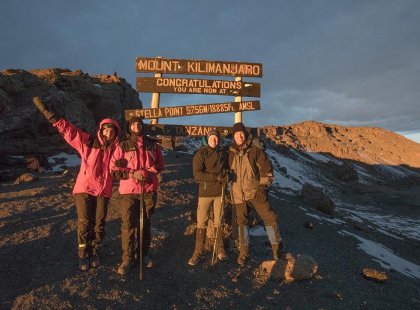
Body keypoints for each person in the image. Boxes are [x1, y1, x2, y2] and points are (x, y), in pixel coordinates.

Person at [32, 97, 121, 271]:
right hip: (85, 188)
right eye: (106, 130)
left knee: (100, 223)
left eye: (112, 131)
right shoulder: (88, 142)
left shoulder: (117, 149)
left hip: (104, 190)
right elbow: (69, 131)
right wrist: (50, 115)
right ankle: (82, 254)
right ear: (101, 130)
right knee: (84, 222)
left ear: (116, 133)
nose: (108, 133)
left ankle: (95, 251)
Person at [110, 116, 164, 276]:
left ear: (142, 126)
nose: (136, 126)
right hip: (129, 192)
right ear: (129, 127)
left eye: (139, 124)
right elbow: (113, 169)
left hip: (148, 191)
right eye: (133, 124)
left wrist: (151, 171)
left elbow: (160, 165)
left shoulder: (153, 145)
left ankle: (143, 255)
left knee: (145, 224)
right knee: (128, 225)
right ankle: (127, 258)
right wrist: (133, 173)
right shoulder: (123, 145)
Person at [228, 122, 281, 267]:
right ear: (233, 136)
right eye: (237, 134)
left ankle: (277, 250)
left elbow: (267, 171)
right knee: (242, 222)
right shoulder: (230, 152)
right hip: (238, 195)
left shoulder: (255, 150)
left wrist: (262, 189)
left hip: (255, 192)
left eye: (242, 133)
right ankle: (244, 251)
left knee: (270, 217)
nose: (240, 136)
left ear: (245, 134)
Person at [188, 129, 229, 266]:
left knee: (219, 221)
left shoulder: (222, 153)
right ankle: (198, 251)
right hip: (205, 193)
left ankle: (220, 249)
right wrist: (216, 177)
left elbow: (227, 169)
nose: (214, 140)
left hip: (220, 192)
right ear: (208, 139)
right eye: (212, 138)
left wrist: (227, 176)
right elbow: (197, 175)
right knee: (201, 222)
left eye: (216, 138)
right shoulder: (201, 154)